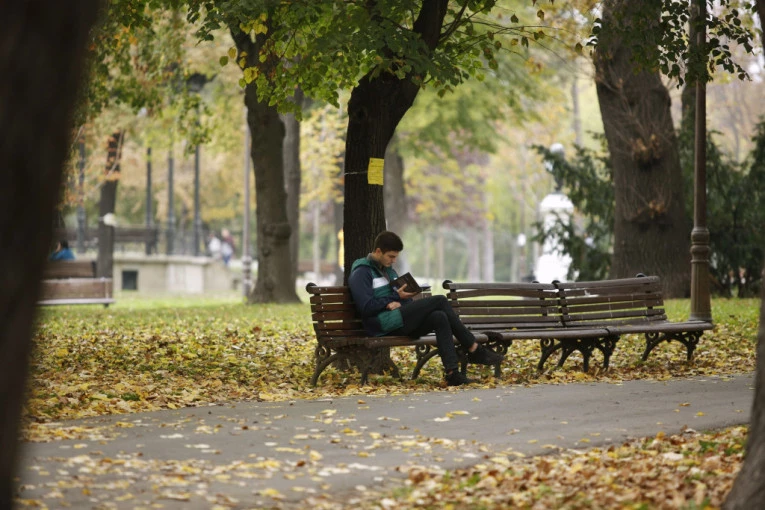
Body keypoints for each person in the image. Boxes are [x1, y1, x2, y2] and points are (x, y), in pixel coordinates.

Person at [348, 231, 504, 386]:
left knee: (439, 316)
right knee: (440, 300)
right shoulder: (362, 272)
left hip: (398, 321)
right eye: (391, 256)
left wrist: (400, 302)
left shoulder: (388, 271)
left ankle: (452, 373)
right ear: (378, 251)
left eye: (396, 257)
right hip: (380, 325)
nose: (394, 260)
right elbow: (365, 308)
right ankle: (473, 348)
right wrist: (394, 298)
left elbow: (404, 301)